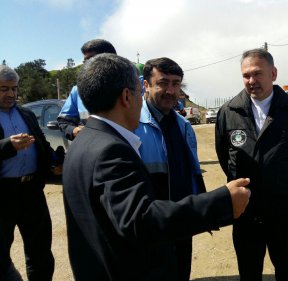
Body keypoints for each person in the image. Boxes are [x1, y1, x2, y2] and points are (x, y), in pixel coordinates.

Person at [62, 53, 251, 280]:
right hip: (142, 254)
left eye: (176, 84)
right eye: (142, 92)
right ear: (127, 95)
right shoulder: (111, 149)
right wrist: (221, 201)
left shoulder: (84, 140)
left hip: (168, 233)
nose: (171, 91)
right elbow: (140, 220)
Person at [215, 48, 288, 281]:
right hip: (245, 210)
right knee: (249, 271)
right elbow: (224, 156)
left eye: (258, 74)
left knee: (286, 268)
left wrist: (278, 175)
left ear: (273, 74)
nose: (252, 81)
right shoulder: (229, 112)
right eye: (246, 75)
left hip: (283, 208)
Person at [133, 57, 202, 281]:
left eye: (176, 83)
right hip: (148, 228)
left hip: (181, 223)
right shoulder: (131, 126)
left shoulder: (184, 126)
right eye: (163, 83)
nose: (170, 91)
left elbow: (192, 172)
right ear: (146, 84)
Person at [0, 65, 61, 280]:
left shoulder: (26, 113)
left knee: (40, 251)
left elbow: (42, 143)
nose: (10, 94)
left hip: (32, 191)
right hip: (3, 195)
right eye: (4, 89)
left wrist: (54, 161)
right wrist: (7, 146)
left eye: (14, 89)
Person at [57, 39, 117, 140]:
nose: (86, 64)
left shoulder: (131, 87)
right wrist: (75, 131)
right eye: (85, 60)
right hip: (92, 149)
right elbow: (64, 122)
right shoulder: (78, 91)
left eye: (91, 59)